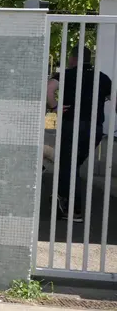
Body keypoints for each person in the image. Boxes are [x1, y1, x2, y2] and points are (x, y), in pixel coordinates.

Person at [46, 45, 112, 223]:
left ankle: (73, 210)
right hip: (94, 129)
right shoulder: (103, 78)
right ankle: (61, 197)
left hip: (71, 126)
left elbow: (48, 90)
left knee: (68, 165)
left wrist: (54, 106)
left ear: (73, 58)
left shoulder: (66, 75)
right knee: (71, 165)